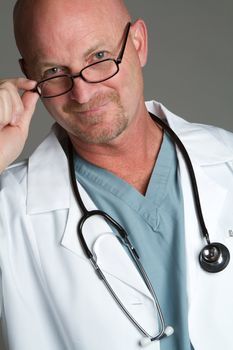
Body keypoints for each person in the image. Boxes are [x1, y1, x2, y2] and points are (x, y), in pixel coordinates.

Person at [0, 0, 232, 349]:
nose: (83, 92)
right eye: (53, 71)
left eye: (98, 57)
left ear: (138, 43)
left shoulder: (228, 160)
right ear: (28, 75)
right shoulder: (9, 212)